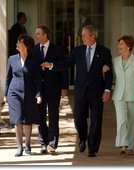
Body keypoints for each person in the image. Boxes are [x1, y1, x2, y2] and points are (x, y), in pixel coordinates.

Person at [41, 25, 113, 157]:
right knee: (79, 118)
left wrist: (107, 89)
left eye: (84, 35)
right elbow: (67, 63)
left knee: (96, 120)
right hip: (81, 91)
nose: (82, 38)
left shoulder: (104, 52)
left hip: (97, 91)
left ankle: (92, 148)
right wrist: (51, 65)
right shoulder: (78, 50)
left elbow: (109, 72)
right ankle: (83, 138)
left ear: (93, 36)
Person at [4, 34, 42, 157]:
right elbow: (8, 78)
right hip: (14, 92)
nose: (17, 44)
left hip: (30, 93)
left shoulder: (34, 60)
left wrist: (39, 94)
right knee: (18, 119)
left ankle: (27, 144)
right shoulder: (12, 59)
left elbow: (38, 79)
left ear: (26, 46)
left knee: (28, 120)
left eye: (19, 42)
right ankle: (19, 147)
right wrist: (5, 94)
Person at [33, 25, 69, 154]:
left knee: (53, 116)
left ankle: (52, 144)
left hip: (54, 88)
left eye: (38, 33)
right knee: (40, 117)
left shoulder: (58, 49)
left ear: (45, 35)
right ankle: (43, 143)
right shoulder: (34, 49)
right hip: (39, 90)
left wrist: (64, 86)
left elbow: (64, 69)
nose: (36, 36)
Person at [106, 35, 134, 156]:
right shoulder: (115, 61)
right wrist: (104, 68)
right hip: (118, 96)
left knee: (133, 122)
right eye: (119, 44)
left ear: (128, 46)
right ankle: (123, 145)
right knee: (122, 120)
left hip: (133, 96)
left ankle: (131, 147)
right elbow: (111, 76)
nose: (119, 46)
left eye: (121, 44)